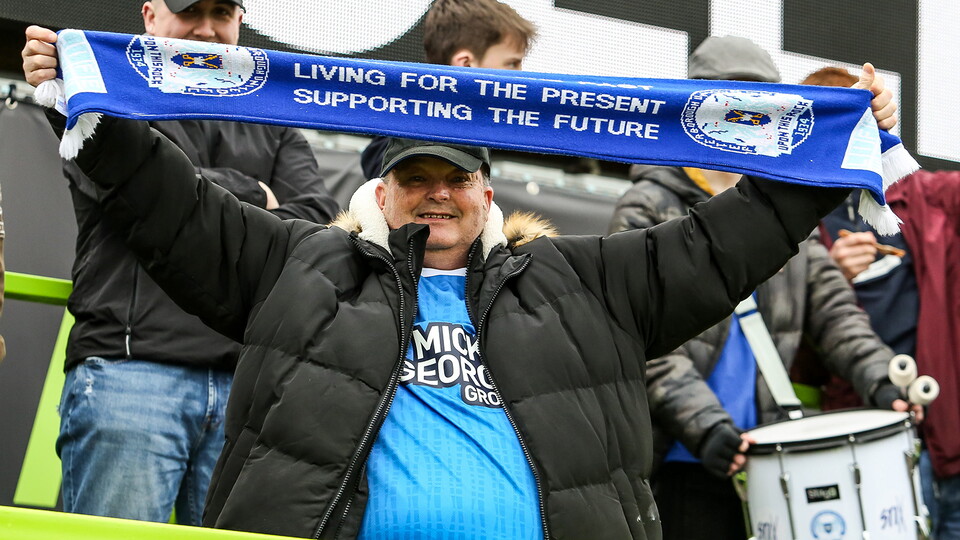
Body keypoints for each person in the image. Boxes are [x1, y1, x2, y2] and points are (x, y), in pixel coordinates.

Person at [24, 28, 898, 540]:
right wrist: (84, 100)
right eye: (416, 177)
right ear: (382, 192)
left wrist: (837, 147)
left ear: (488, 189)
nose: (437, 193)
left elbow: (720, 245)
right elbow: (175, 210)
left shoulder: (580, 282)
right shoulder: (303, 268)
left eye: (456, 176)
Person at [20, 0, 339, 526]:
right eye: (192, 10)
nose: (207, 29)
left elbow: (317, 224)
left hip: (247, 387)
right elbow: (132, 179)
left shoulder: (272, 116)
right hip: (133, 373)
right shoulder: (105, 86)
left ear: (241, 20)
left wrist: (197, 186)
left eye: (222, 12)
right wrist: (257, 194)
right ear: (150, 16)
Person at [607, 37, 915, 540]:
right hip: (683, 463)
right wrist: (707, 427)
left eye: (761, 101)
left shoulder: (780, 203)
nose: (746, 113)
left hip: (772, 461)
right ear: (696, 103)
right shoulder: (647, 206)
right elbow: (635, 336)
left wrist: (882, 378)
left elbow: (837, 314)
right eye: (731, 99)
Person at [806, 65, 960, 540]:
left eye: (857, 117)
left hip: (946, 437)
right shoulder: (799, 223)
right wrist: (830, 275)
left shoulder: (924, 197)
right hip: (862, 440)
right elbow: (789, 353)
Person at [359, 0, 537, 179]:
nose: (520, 74)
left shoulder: (473, 125)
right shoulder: (411, 121)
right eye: (512, 63)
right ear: (466, 65)